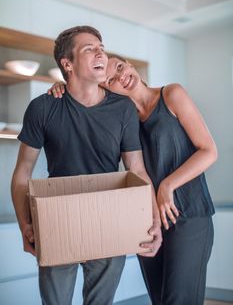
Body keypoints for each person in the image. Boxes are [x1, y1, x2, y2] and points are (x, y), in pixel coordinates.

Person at [49, 52, 218, 305]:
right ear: (104, 89)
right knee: (160, 299)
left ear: (128, 64)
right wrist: (64, 89)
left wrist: (167, 185)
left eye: (119, 66)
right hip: (149, 221)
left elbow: (209, 150)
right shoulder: (121, 119)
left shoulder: (171, 95)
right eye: (111, 79)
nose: (122, 76)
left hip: (190, 216)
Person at [11, 27, 162, 305]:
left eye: (101, 47)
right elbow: (22, 173)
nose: (100, 52)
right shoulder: (42, 108)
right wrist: (25, 225)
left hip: (110, 221)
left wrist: (153, 220)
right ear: (67, 64)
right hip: (56, 221)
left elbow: (137, 171)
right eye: (89, 48)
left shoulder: (123, 109)